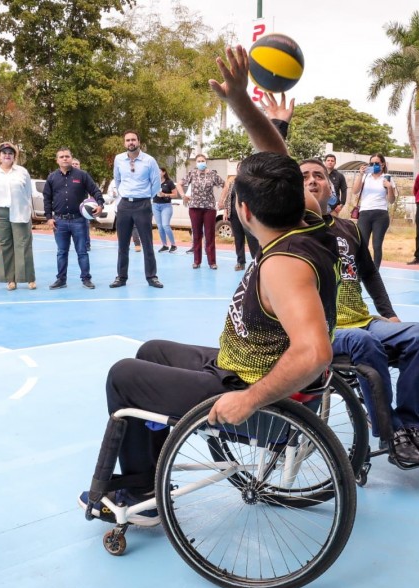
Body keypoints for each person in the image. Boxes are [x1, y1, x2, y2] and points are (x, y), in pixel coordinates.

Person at [78, 45, 339, 526]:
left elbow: (315, 353)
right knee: (152, 350)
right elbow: (276, 158)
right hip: (236, 365)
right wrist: (240, 100)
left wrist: (247, 400)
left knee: (123, 374)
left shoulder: (284, 264)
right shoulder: (307, 220)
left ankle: (140, 489)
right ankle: (152, 471)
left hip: (256, 394)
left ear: (242, 212)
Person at [302, 158, 419, 465]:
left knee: (418, 334)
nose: (312, 181)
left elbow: (370, 274)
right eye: (304, 177)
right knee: (364, 344)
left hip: (362, 320)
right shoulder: (290, 231)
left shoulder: (350, 230)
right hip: (322, 329)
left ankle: (409, 426)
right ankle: (390, 433)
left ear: (331, 186)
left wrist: (388, 314)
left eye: (319, 176)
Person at [43, 146, 104, 289]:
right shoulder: (52, 177)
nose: (65, 158)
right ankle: (61, 280)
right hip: (59, 221)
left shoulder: (82, 175)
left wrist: (100, 204)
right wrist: (48, 217)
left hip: (79, 220)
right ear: (57, 160)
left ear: (71, 158)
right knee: (61, 252)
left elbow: (95, 191)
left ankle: (86, 279)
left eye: (67, 156)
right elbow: (47, 198)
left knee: (82, 251)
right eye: (62, 157)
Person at [109, 131, 162, 288]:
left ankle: (152, 277)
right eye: (127, 140)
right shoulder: (119, 159)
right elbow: (117, 180)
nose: (130, 142)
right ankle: (121, 277)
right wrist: (125, 195)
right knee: (123, 244)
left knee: (147, 243)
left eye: (133, 139)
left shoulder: (149, 161)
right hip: (124, 205)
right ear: (124, 143)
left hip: (143, 205)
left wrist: (144, 197)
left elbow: (156, 184)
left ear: (139, 141)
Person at [0, 142, 36, 290]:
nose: (7, 155)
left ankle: (28, 278)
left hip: (19, 210)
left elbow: (27, 193)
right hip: (0, 212)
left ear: (14, 156)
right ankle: (10, 279)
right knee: (3, 245)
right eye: (4, 153)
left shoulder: (22, 172)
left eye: (10, 153)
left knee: (23, 244)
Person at [176, 154, 225, 270]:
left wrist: (222, 200)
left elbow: (225, 185)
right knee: (197, 234)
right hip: (194, 207)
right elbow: (179, 184)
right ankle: (196, 261)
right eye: (199, 161)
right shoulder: (192, 173)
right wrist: (183, 196)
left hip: (209, 208)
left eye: (203, 161)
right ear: (196, 163)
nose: (201, 163)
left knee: (209, 235)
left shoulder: (213, 174)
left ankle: (212, 262)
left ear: (206, 162)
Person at [351, 154, 396, 269]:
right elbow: (355, 191)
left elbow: (391, 200)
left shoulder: (387, 177)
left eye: (377, 163)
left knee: (377, 245)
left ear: (383, 164)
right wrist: (360, 175)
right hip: (365, 213)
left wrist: (389, 187)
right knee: (362, 244)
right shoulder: (366, 177)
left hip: (380, 214)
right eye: (372, 164)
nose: (374, 166)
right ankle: (362, 269)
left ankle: (375, 271)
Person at [221, 170, 258, 271]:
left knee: (251, 238)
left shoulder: (251, 182)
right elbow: (229, 197)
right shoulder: (233, 183)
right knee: (238, 238)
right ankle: (240, 262)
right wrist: (225, 210)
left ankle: (257, 261)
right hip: (234, 214)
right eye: (239, 168)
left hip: (247, 214)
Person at [153, 167, 178, 253]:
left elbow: (175, 194)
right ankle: (164, 245)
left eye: (159, 171)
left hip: (166, 206)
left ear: (164, 172)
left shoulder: (169, 182)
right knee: (159, 227)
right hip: (155, 205)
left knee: (165, 225)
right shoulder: (154, 182)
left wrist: (165, 195)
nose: (157, 173)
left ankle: (173, 245)